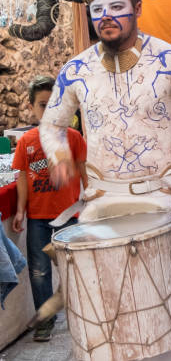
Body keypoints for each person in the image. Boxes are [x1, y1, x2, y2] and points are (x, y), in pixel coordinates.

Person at [9, 0, 171, 360]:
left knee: (166, 313)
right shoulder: (75, 70)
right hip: (102, 202)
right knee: (108, 312)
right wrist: (61, 155)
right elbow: (51, 126)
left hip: (163, 200)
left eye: (117, 8)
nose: (106, 17)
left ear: (138, 8)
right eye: (98, 9)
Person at [10, 76, 87, 342]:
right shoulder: (26, 142)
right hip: (38, 220)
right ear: (31, 107)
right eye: (43, 105)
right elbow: (22, 177)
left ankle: (81, 312)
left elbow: (84, 170)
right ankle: (45, 320)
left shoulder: (74, 138)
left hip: (70, 217)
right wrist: (20, 210)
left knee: (75, 268)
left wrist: (90, 201)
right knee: (39, 270)